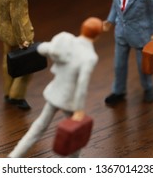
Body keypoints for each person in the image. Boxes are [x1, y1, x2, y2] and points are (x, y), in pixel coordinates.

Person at [8, 17, 103, 158]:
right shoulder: (90, 56)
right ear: (97, 36)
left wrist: (37, 47)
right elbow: (82, 85)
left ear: (82, 29)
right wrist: (79, 109)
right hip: (69, 101)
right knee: (74, 132)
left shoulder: (67, 40)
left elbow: (45, 48)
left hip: (55, 93)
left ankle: (14, 156)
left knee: (38, 127)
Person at [103, 0, 153, 106]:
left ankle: (148, 88)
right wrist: (110, 20)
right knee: (119, 64)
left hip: (140, 34)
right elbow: (115, 4)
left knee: (143, 66)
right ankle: (118, 91)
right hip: (121, 32)